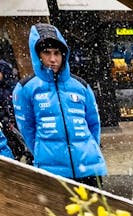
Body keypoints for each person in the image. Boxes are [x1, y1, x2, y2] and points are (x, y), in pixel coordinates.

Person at [13, 24, 106, 185]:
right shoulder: (26, 88)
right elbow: (27, 128)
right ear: (38, 56)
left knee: (95, 210)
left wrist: (91, 149)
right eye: (47, 53)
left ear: (64, 55)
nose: (53, 59)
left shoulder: (81, 86)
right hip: (52, 172)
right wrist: (42, 155)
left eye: (57, 53)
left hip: (89, 168)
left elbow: (94, 124)